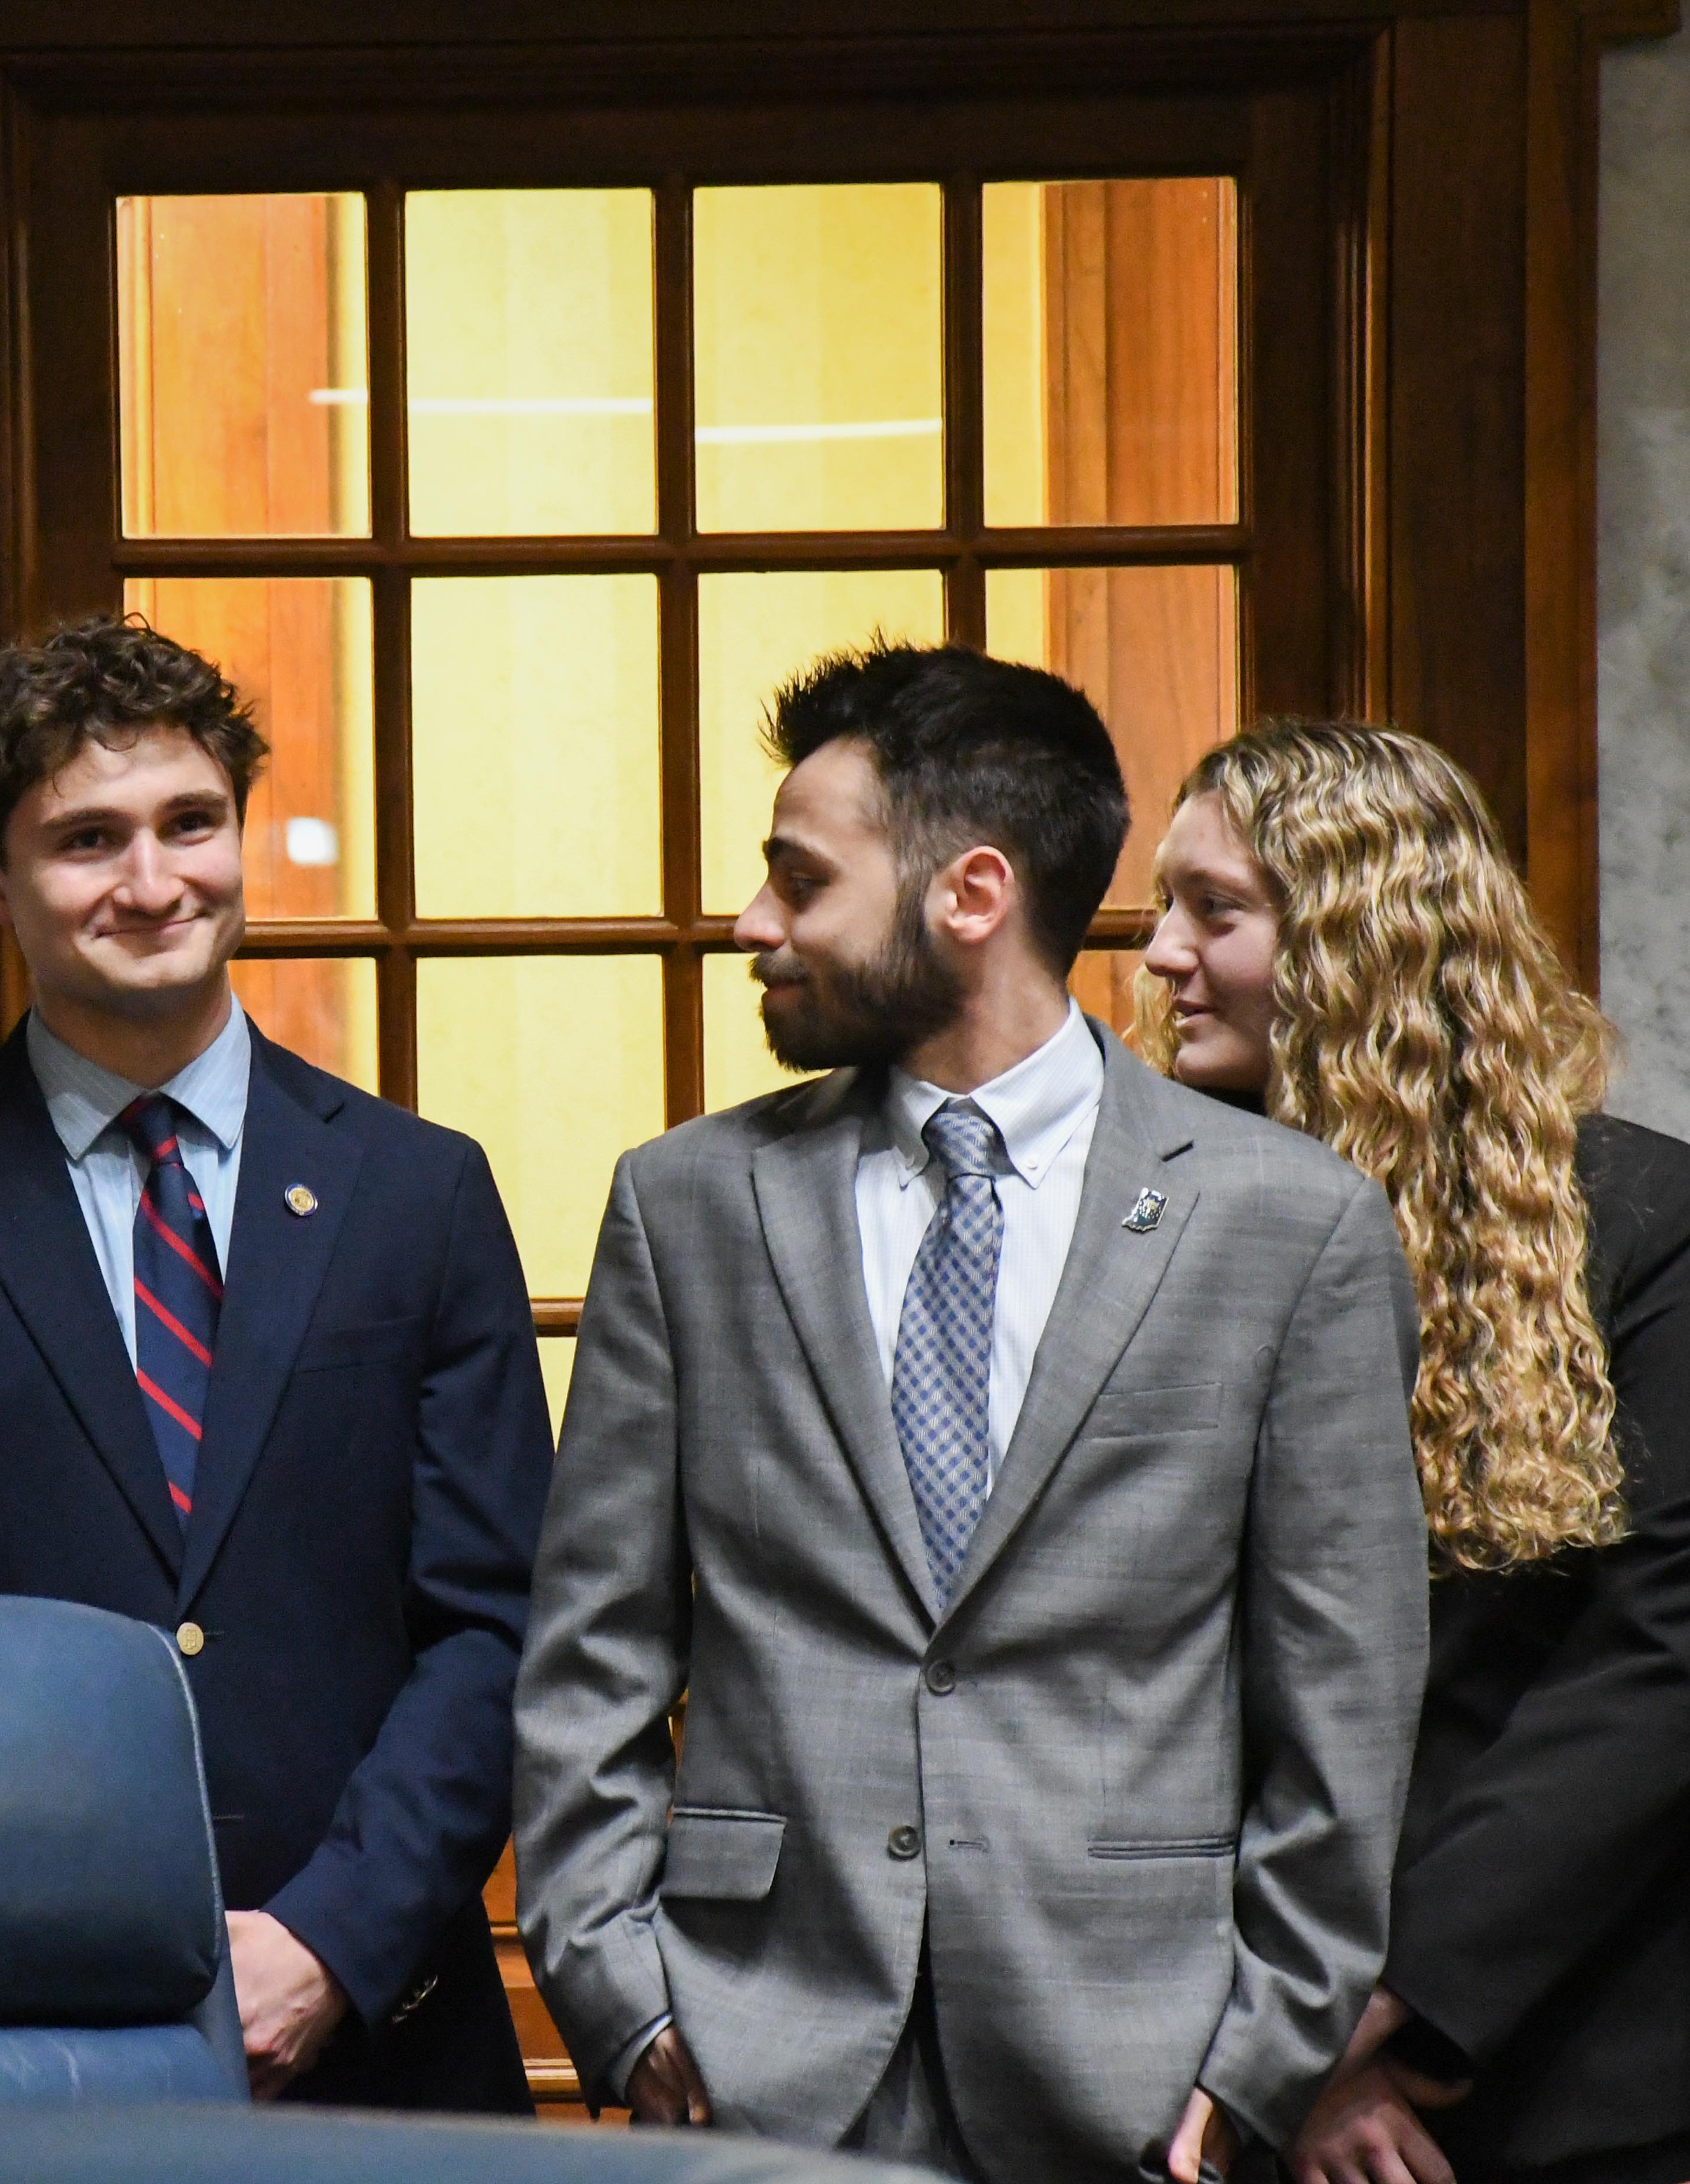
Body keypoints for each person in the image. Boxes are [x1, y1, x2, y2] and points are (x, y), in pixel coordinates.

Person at [513, 641, 1430, 2182]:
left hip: (1138, 2073)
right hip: (757, 2061)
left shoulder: (1290, 1223)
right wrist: (628, 2001)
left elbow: (1344, 1706)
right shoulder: (688, 1205)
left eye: (802, 878)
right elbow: (591, 1658)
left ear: (971, 893)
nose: (755, 923)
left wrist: (1254, 2065)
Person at [0, 616, 554, 2110]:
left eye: (191, 822)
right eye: (87, 839)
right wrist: (90, 1965)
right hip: (41, 2043)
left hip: (394, 2035)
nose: (155, 880)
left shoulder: (417, 1192)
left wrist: (331, 1939)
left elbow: (497, 1623)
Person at [1138, 721, 1690, 2184]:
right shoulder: (1146, 1214)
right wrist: (1273, 2050)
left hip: (1599, 2053)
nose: (1163, 952)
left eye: (1215, 910)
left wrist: (1386, 2014)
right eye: (1166, 905)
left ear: (1360, 942)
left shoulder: (1641, 1213)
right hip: (1217, 2049)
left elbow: (1662, 1661)